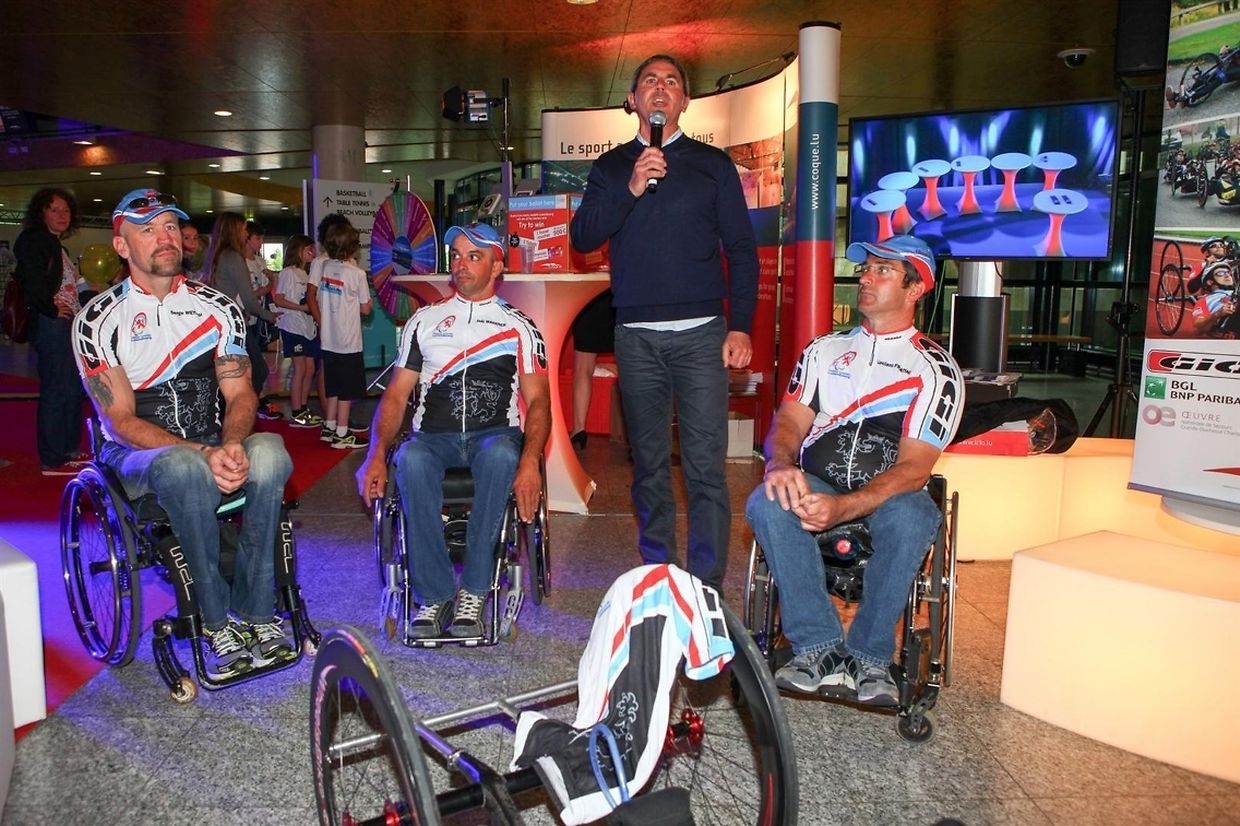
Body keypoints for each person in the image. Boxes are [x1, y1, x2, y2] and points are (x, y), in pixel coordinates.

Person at [72, 188, 295, 678]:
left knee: (271, 452)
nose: (165, 237)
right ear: (121, 246)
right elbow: (120, 421)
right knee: (184, 466)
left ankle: (257, 612)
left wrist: (231, 443)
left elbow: (240, 393)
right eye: (148, 229)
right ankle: (214, 622)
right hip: (134, 455)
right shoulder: (97, 320)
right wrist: (202, 452)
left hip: (210, 438)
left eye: (170, 226)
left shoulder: (217, 307)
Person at [744, 235, 963, 706]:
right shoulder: (823, 350)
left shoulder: (935, 370)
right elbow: (790, 420)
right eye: (866, 269)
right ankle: (816, 646)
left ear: (915, 288)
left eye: (883, 271)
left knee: (914, 517)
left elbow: (915, 467)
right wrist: (779, 464)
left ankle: (870, 656)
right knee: (768, 500)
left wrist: (843, 507)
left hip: (887, 492)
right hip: (818, 477)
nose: (865, 277)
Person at [570, 53, 758, 589]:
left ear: (684, 101)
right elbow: (583, 238)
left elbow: (741, 250)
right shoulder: (611, 168)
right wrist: (630, 188)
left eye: (671, 81)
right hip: (636, 338)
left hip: (702, 335)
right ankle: (659, 574)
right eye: (649, 80)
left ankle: (705, 586)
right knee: (649, 466)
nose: (660, 87)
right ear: (633, 100)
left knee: (704, 467)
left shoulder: (712, 165)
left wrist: (740, 324)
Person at [356, 222, 550, 639]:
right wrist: (374, 454)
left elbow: (538, 402)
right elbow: (396, 396)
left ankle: (475, 592)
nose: (461, 265)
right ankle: (435, 595)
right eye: (457, 256)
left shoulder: (519, 326)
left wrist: (531, 461)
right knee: (409, 459)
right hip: (433, 437)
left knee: (501, 456)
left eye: (474, 256)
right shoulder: (423, 322)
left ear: (497, 266)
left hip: (494, 434)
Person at [13, 187, 87, 475]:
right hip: (52, 324)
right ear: (41, 212)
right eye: (54, 210)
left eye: (66, 210)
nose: (62, 215)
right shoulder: (36, 240)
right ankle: (53, 457)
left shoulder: (57, 245)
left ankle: (68, 450)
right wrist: (50, 308)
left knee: (70, 389)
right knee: (57, 390)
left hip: (66, 324)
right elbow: (31, 281)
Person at [204, 212, 282, 422]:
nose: (246, 233)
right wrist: (269, 316)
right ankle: (237, 414)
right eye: (243, 229)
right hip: (233, 323)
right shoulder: (232, 257)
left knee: (234, 372)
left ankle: (227, 414)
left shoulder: (218, 256)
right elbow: (248, 298)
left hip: (222, 321)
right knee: (258, 370)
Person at [306, 219, 371, 449]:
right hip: (348, 341)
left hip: (329, 339)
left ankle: (330, 426)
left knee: (332, 384)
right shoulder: (357, 274)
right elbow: (366, 308)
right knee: (346, 388)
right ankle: (342, 433)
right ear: (353, 247)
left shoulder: (324, 268)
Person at [272, 234, 324, 428]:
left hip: (308, 327)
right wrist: (301, 307)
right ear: (299, 250)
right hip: (293, 325)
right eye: (309, 249)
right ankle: (296, 411)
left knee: (310, 369)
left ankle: (303, 407)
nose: (313, 252)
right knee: (300, 368)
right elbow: (279, 299)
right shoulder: (288, 273)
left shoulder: (309, 274)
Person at [244, 220, 282, 420]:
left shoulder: (259, 262)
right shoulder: (239, 262)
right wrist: (265, 288)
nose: (260, 242)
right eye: (257, 238)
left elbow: (267, 287)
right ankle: (252, 401)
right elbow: (250, 293)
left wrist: (269, 283)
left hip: (257, 319)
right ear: (247, 239)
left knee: (256, 363)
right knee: (257, 366)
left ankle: (255, 400)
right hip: (245, 317)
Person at [569, 289, 616, 450]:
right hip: (616, 295)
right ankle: (634, 433)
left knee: (583, 367)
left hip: (589, 298)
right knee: (631, 364)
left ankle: (579, 429)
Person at [1191, 261, 1237, 338]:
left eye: (1229, 273)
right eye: (1221, 273)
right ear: (1210, 282)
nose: (1227, 275)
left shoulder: (1236, 292)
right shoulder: (1204, 301)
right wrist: (1217, 314)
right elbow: (1198, 328)